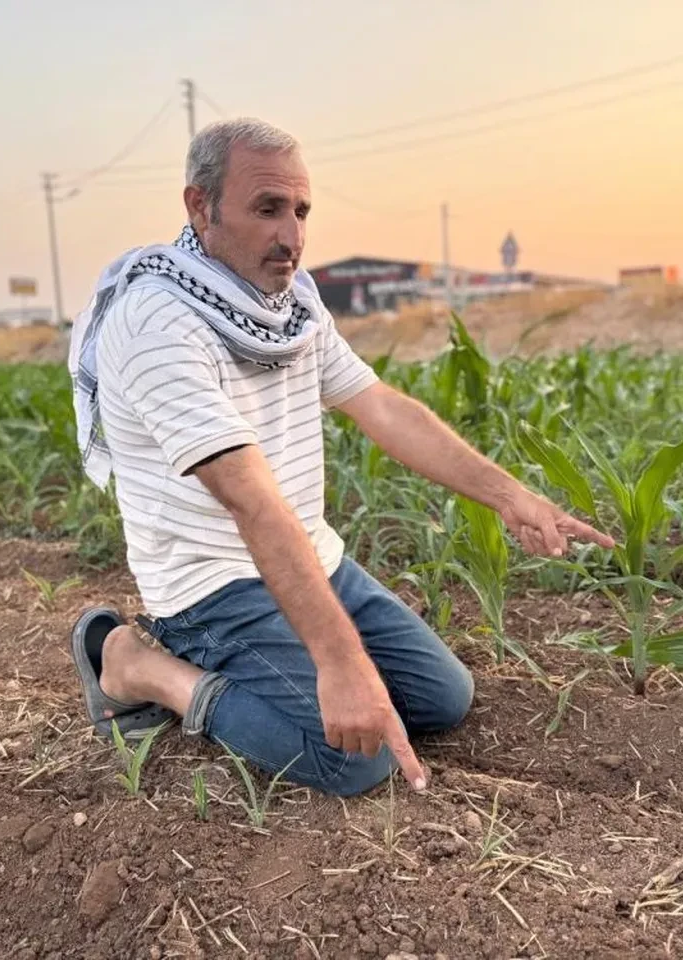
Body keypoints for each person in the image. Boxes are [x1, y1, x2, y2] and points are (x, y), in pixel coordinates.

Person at [67, 117, 613, 798]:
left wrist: (511, 497)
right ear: (200, 208)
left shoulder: (288, 306)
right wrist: (340, 662)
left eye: (300, 211)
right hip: (211, 588)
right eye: (267, 209)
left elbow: (379, 405)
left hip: (309, 557)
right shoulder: (157, 324)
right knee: (354, 761)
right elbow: (250, 499)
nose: (291, 236)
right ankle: (140, 668)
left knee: (443, 699)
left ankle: (270, 661)